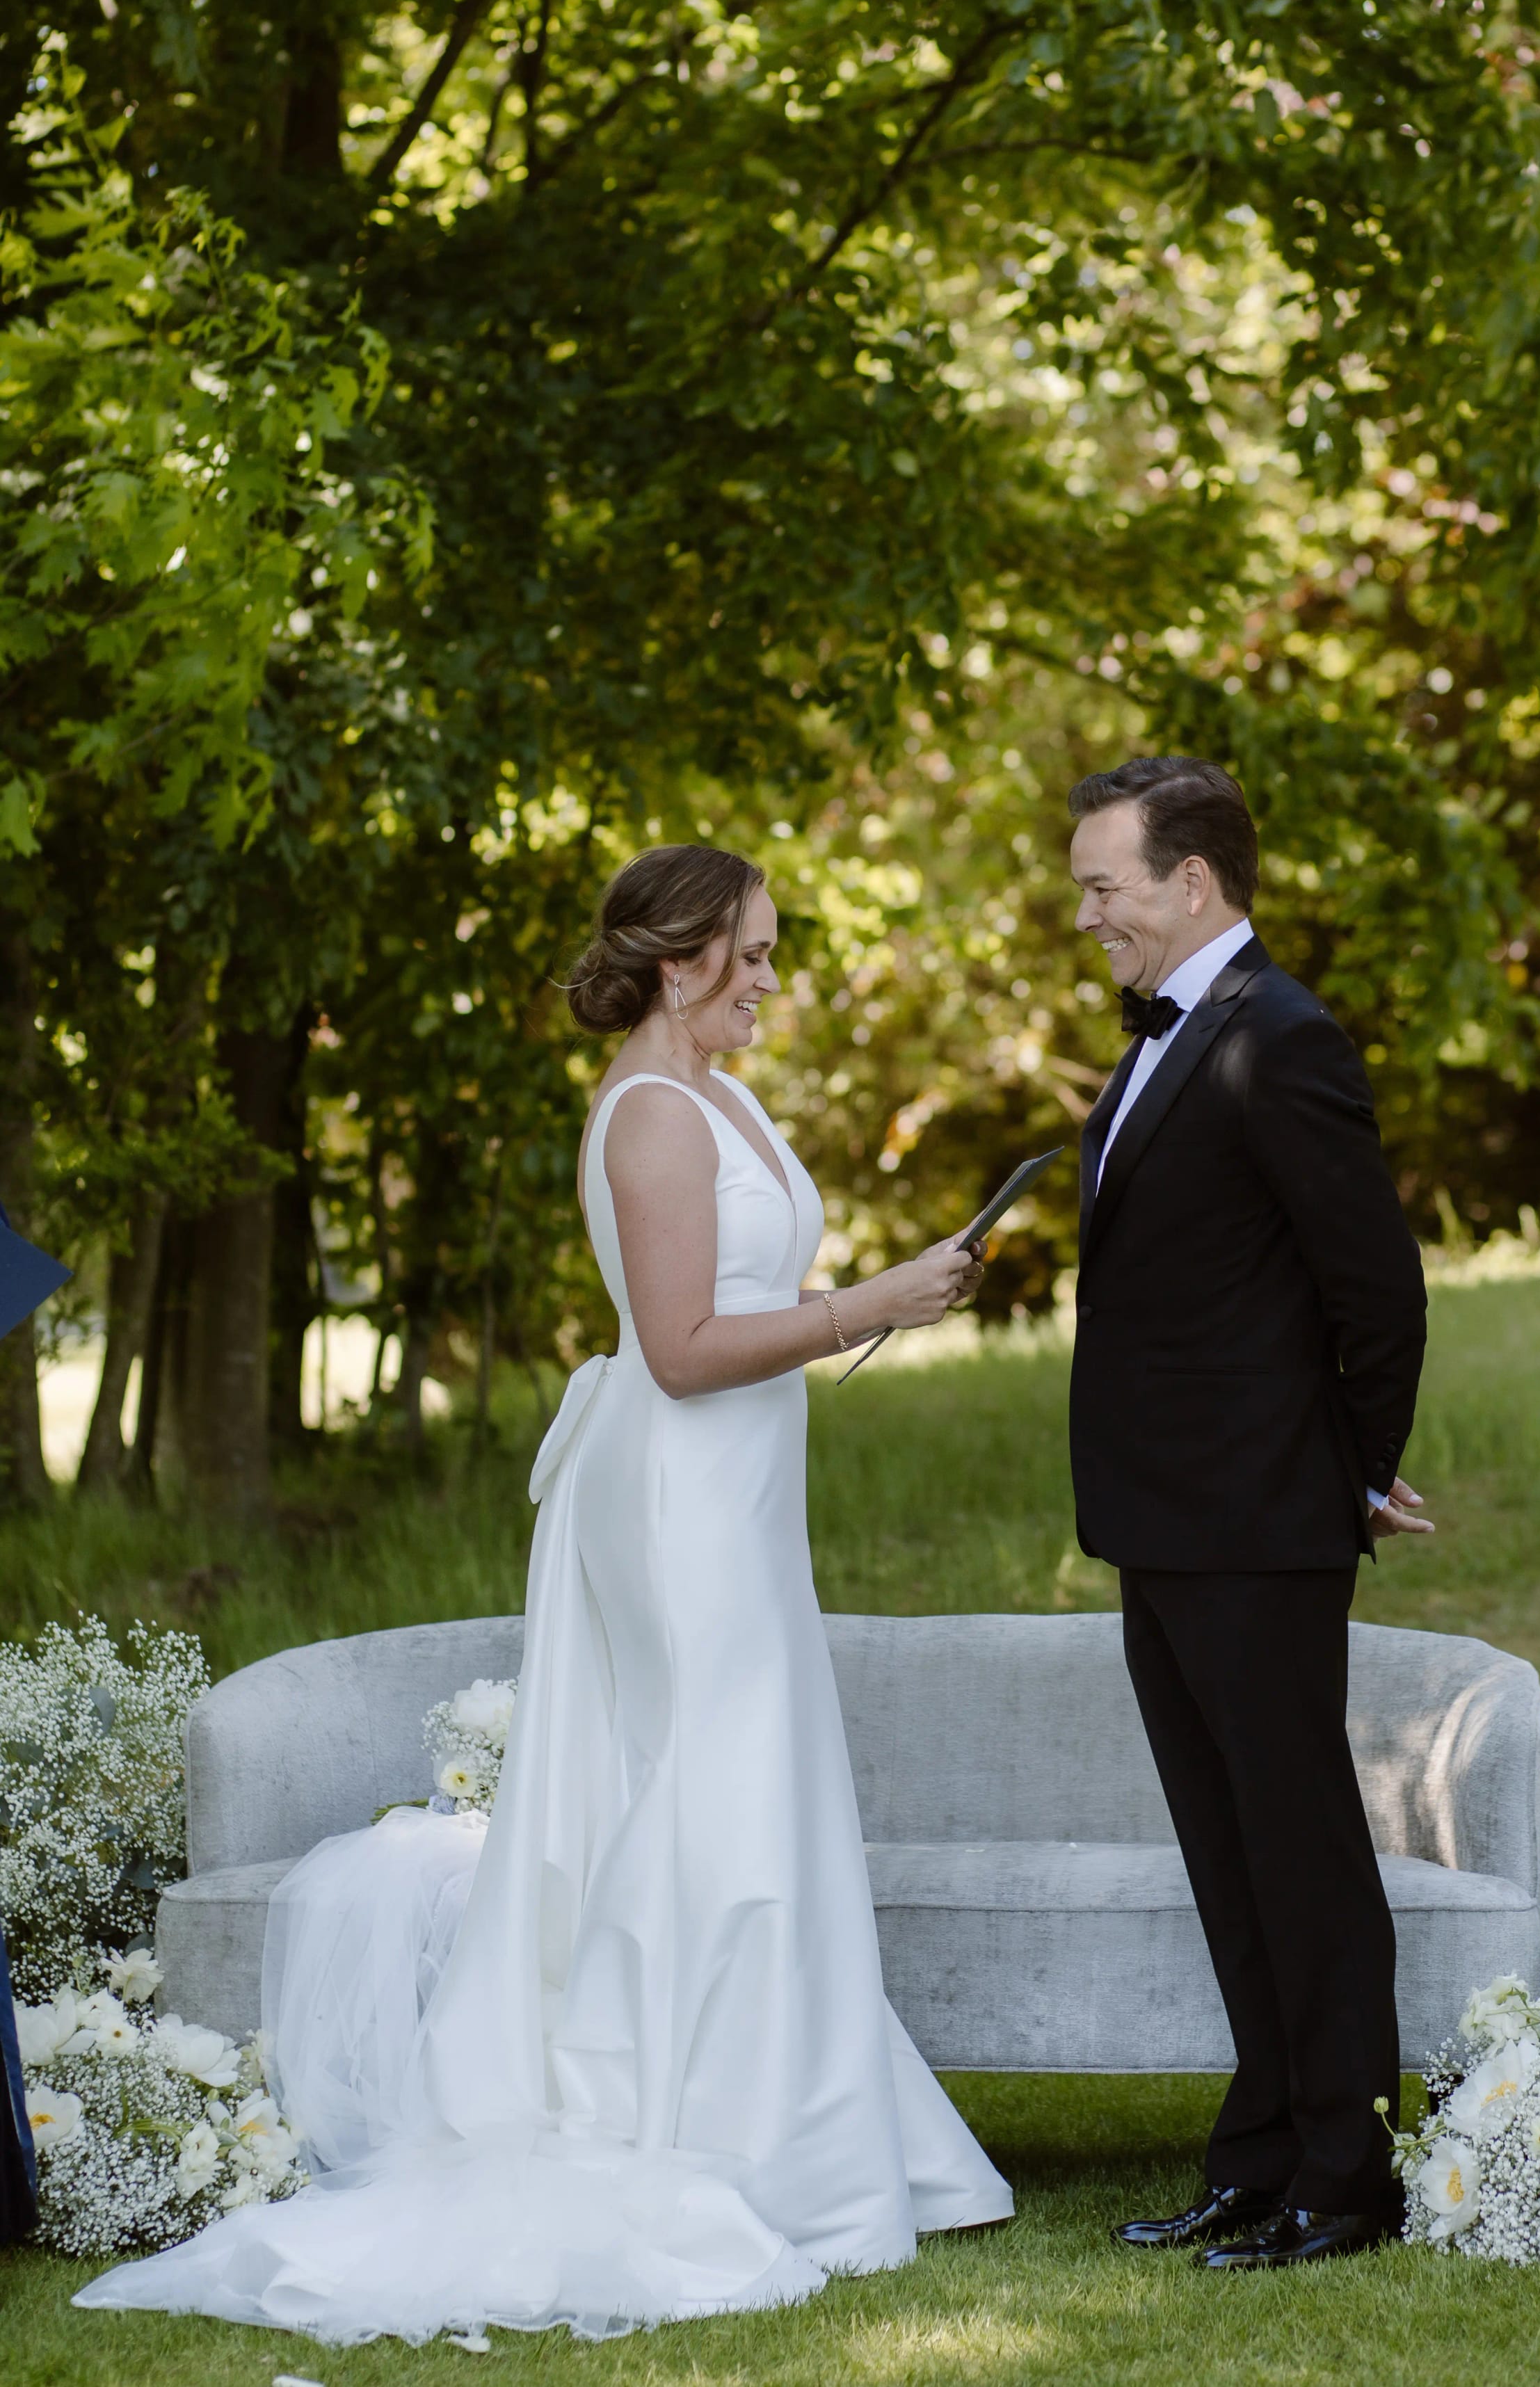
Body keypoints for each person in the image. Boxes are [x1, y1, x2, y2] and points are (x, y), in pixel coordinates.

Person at [77, 844, 1011, 2345]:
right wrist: (872, 1306)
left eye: (772, 953)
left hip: (746, 1499)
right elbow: (686, 1347)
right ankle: (711, 2132)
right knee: (712, 1785)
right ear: (680, 956)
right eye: (754, 955)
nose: (772, 979)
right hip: (677, 1504)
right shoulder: (646, 1114)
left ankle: (797, 2125)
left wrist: (877, 1302)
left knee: (748, 1785)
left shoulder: (724, 1093)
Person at [1065, 757, 1431, 2271]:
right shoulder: (1168, 1036)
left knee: (1296, 1853)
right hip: (1162, 1521)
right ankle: (1261, 2153)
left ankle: (1345, 2181)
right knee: (1226, 1855)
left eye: (1105, 887)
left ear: (1192, 883)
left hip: (1256, 1524)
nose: (1085, 917)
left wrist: (1347, 1470)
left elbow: (1375, 1287)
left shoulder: (1277, 1038)